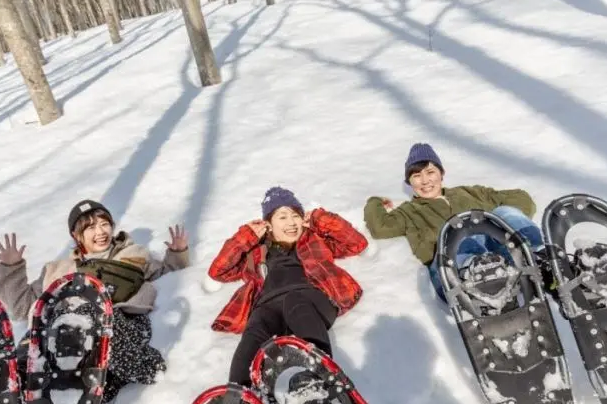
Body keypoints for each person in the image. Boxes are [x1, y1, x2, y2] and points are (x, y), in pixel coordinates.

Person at [0, 199, 190, 402]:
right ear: (76, 235)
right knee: (38, 331)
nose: (101, 232)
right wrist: (12, 268)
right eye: (91, 227)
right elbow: (21, 308)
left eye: (105, 224)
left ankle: (146, 367)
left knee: (91, 317)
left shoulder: (135, 255)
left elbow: (169, 277)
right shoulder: (56, 269)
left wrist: (177, 254)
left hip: (120, 325)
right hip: (66, 339)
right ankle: (12, 379)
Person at [207, 187, 368, 386]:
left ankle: (320, 378)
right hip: (267, 305)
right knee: (256, 326)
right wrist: (245, 237)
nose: (291, 222)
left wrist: (320, 219)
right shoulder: (256, 252)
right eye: (282, 217)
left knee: (295, 301)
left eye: (295, 215)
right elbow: (218, 271)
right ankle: (240, 396)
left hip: (311, 299)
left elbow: (357, 243)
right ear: (268, 224)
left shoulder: (314, 239)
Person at [363, 142, 549, 304]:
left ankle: (540, 258)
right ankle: (474, 273)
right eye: (416, 176)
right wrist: (375, 201)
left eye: (430, 172)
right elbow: (380, 227)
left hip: (502, 259)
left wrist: (494, 223)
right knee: (458, 233)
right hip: (450, 271)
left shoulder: (469, 193)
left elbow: (522, 198)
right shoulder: (409, 212)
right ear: (409, 182)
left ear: (441, 174)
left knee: (504, 212)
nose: (425, 181)